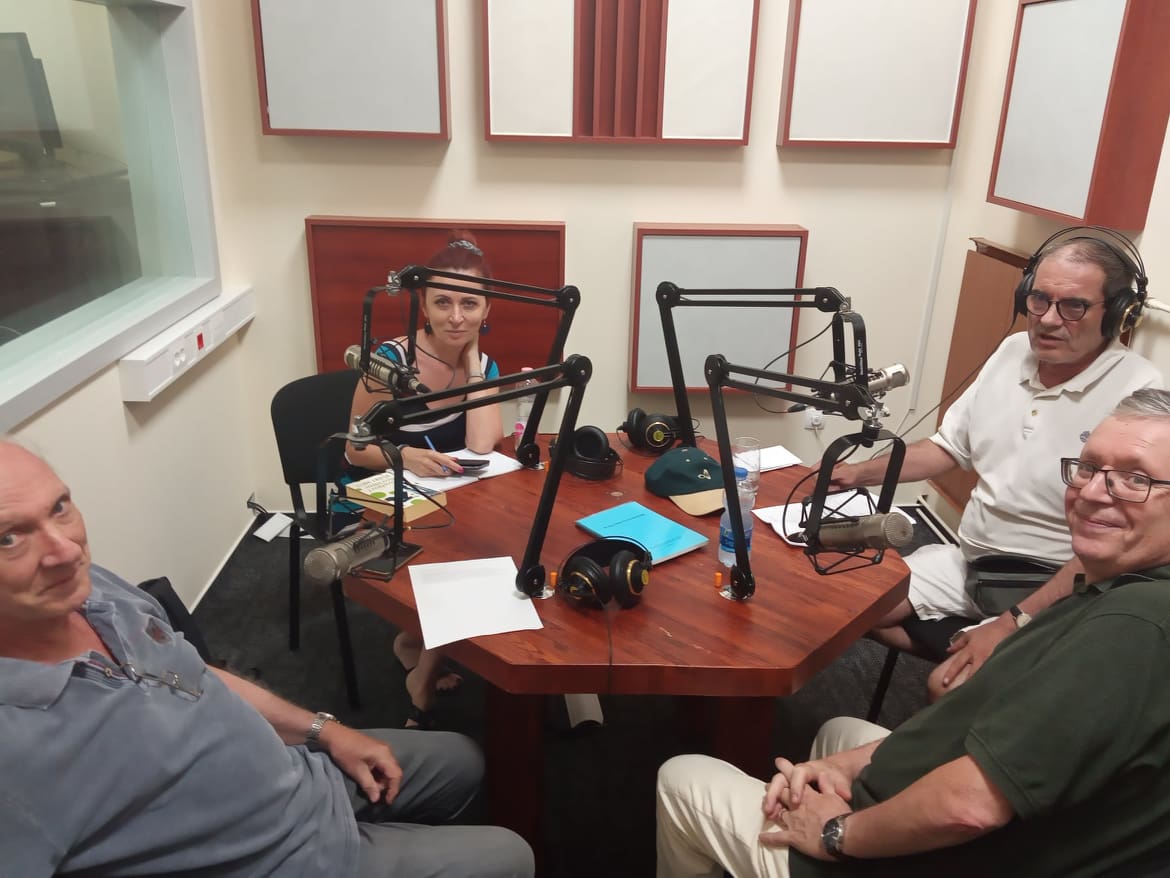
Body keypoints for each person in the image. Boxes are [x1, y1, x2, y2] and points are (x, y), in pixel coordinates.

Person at [657, 388, 1170, 877]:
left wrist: (836, 833)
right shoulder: (1113, 589)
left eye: (1135, 479)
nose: (1092, 493)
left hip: (935, 858)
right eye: (1088, 468)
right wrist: (847, 768)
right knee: (839, 733)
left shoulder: (1131, 628)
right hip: (967, 807)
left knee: (681, 778)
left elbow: (969, 809)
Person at [0, 440, 533, 877]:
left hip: (300, 774)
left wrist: (325, 730)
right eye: (9, 538)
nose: (66, 550)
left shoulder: (94, 590)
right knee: (512, 855)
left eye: (59, 508)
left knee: (465, 760)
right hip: (285, 859)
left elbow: (196, 674)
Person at [831, 232, 1160, 698]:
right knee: (842, 609)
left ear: (1120, 313)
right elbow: (948, 448)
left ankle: (992, 669)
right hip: (969, 561)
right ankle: (974, 654)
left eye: (1073, 306)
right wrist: (855, 474)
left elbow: (1111, 552)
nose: (1048, 319)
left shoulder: (1138, 394)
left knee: (948, 687)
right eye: (1039, 299)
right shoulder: (1011, 353)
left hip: (1058, 582)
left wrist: (1012, 623)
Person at [347, 230, 505, 729]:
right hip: (387, 499)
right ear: (423, 305)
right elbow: (354, 448)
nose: (456, 316)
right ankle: (422, 677)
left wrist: (473, 362)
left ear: (486, 310)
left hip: (453, 500)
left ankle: (415, 646)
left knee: (496, 548)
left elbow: (483, 444)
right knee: (466, 562)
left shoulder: (484, 365)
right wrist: (405, 456)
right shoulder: (390, 362)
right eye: (443, 302)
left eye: (469, 304)